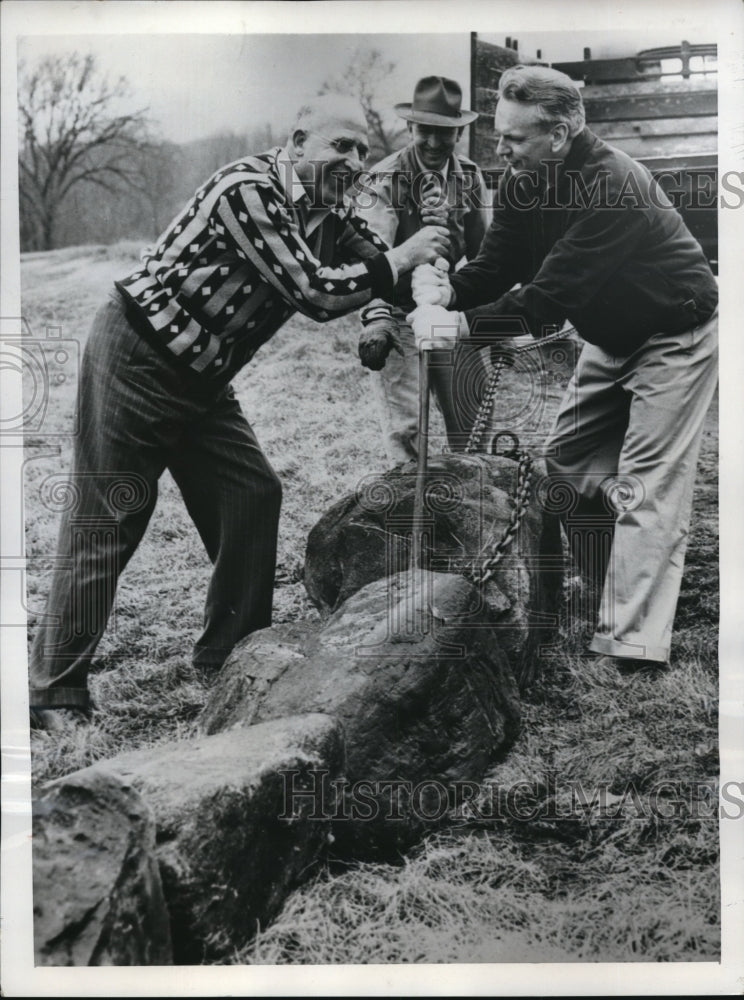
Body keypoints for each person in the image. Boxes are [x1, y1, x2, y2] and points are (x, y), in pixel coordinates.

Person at [29, 94, 449, 730]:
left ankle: (231, 656)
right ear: (298, 140)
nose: (354, 161)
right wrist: (403, 257)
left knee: (252, 493)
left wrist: (427, 251)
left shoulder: (330, 205)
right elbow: (314, 291)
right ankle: (53, 692)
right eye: (341, 146)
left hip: (204, 376)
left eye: (363, 150)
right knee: (107, 519)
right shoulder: (246, 189)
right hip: (139, 355)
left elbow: (374, 268)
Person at [408, 65, 718, 670]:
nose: (499, 150)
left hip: (675, 334)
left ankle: (631, 644)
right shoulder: (527, 180)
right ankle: (614, 588)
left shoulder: (613, 185)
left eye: (513, 139)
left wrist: (460, 327)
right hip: (610, 334)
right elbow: (496, 268)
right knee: (569, 469)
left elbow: (548, 298)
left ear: (561, 132)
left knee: (646, 490)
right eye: (498, 135)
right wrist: (443, 294)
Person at [354, 76, 491, 463]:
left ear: (459, 133)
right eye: (425, 131)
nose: (434, 143)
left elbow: (486, 255)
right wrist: (377, 320)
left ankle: (468, 511)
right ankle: (409, 518)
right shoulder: (383, 181)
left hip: (448, 307)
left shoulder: (469, 177)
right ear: (410, 128)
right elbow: (373, 262)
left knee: (474, 420)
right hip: (397, 314)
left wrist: (493, 321)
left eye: (444, 133)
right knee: (408, 432)